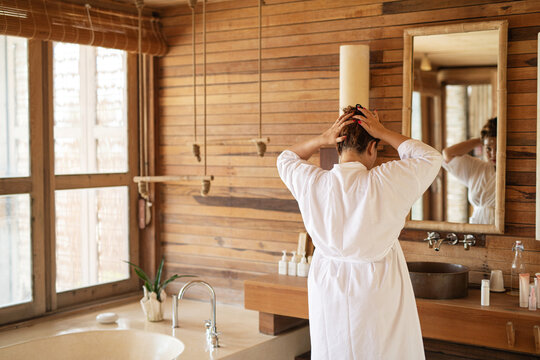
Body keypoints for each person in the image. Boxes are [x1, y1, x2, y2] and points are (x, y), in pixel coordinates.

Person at [277, 105, 442, 359]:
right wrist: (384, 131)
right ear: (372, 147)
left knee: (335, 349)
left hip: (327, 288)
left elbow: (285, 159)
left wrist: (322, 138)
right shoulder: (384, 182)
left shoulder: (314, 183)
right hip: (374, 290)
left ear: (337, 146)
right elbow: (431, 158)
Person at [442, 117, 497, 224]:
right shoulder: (477, 168)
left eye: (498, 148)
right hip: (475, 228)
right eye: (488, 148)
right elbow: (448, 153)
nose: (493, 154)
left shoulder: (516, 171)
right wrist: (482, 139)